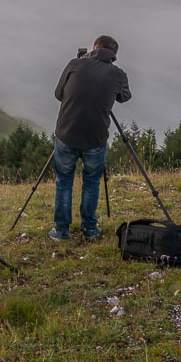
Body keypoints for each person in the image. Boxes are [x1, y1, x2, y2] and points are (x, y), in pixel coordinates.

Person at [51, 35, 131, 241]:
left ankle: (61, 230)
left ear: (94, 47)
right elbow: (124, 97)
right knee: (92, 182)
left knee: (64, 181)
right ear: (114, 55)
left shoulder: (75, 64)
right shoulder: (118, 74)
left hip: (67, 132)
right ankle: (90, 229)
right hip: (95, 137)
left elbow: (59, 93)